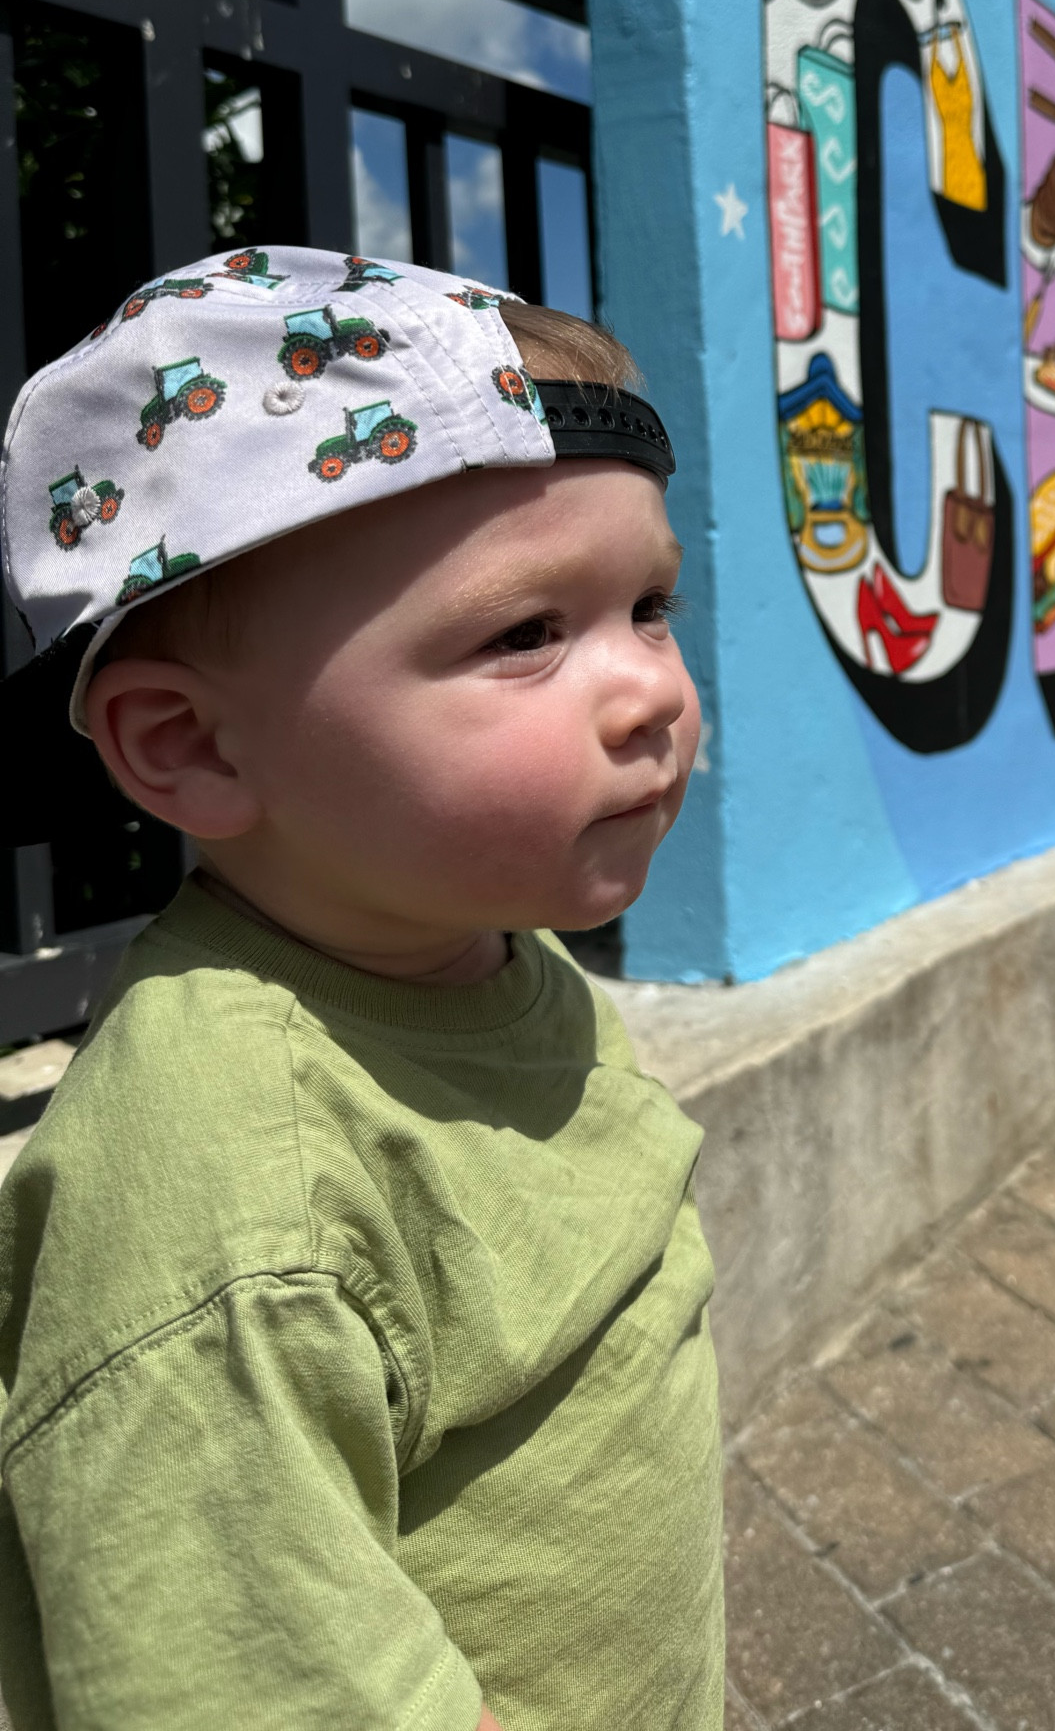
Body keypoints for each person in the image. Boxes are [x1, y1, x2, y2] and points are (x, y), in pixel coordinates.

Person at [0, 248, 722, 1730]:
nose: (651, 689)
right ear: (193, 748)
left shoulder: (492, 947)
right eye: (525, 633)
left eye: (648, 605)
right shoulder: (232, 1195)